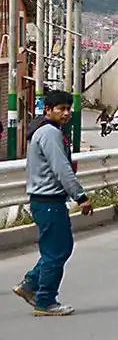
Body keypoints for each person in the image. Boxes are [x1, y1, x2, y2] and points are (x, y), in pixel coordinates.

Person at [11, 90, 93, 316]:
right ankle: (45, 300)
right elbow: (62, 169)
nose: (66, 113)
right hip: (48, 200)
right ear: (48, 110)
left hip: (46, 200)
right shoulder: (49, 133)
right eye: (61, 109)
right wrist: (80, 196)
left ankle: (30, 285)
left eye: (69, 109)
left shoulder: (46, 130)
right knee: (56, 252)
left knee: (59, 248)